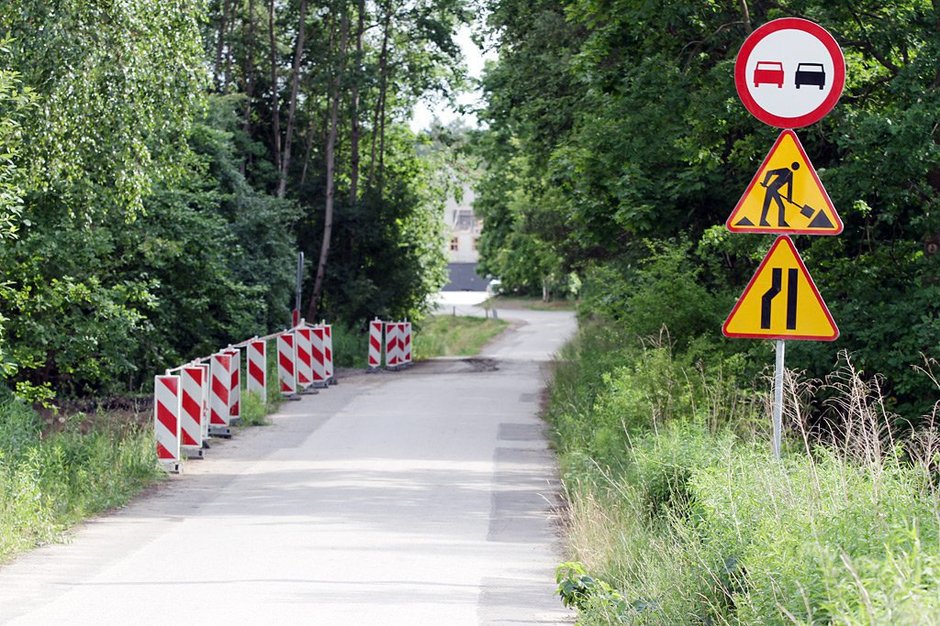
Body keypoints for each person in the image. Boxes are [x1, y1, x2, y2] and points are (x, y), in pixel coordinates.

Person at [760, 162, 800, 227]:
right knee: (776, 206)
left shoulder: (790, 175)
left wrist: (789, 198)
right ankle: (780, 223)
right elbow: (770, 172)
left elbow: (790, 186)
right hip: (772, 189)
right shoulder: (785, 170)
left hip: (773, 190)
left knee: (767, 205)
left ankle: (764, 221)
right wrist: (765, 183)